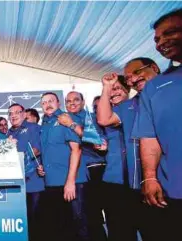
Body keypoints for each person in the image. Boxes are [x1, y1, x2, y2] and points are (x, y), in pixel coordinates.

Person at [132, 7, 182, 240]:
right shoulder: (155, 87)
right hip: (176, 192)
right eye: (157, 39)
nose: (161, 42)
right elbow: (149, 137)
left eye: (171, 33)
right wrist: (149, 177)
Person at [97, 57, 161, 241]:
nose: (132, 78)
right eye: (128, 76)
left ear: (154, 68)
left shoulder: (172, 91)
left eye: (136, 72)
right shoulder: (129, 106)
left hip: (170, 181)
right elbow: (103, 119)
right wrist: (106, 87)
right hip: (134, 184)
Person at [39, 92, 89, 241]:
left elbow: (76, 150)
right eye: (44, 102)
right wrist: (41, 166)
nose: (47, 104)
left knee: (79, 226)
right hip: (51, 183)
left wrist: (70, 182)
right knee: (60, 227)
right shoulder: (45, 124)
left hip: (71, 183)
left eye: (51, 101)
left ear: (58, 103)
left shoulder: (66, 119)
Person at [58, 91, 107, 241]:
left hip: (94, 170)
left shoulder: (91, 117)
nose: (72, 103)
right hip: (73, 173)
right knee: (75, 218)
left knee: (92, 216)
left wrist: (72, 125)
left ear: (83, 101)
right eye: (68, 101)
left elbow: (97, 141)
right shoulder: (62, 119)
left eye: (76, 100)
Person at [6, 103, 44, 241]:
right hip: (16, 184)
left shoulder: (33, 128)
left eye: (17, 112)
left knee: (36, 220)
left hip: (34, 182)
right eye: (10, 113)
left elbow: (37, 149)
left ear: (23, 114)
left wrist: (18, 155)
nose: (13, 115)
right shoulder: (8, 133)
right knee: (22, 221)